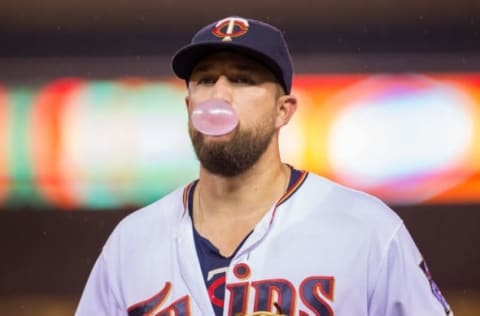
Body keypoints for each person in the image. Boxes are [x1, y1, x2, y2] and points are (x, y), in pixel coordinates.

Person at [76, 16, 453, 316]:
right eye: (205, 80)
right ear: (189, 106)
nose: (219, 96)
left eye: (241, 79)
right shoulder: (131, 242)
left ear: (283, 110)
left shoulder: (367, 231)